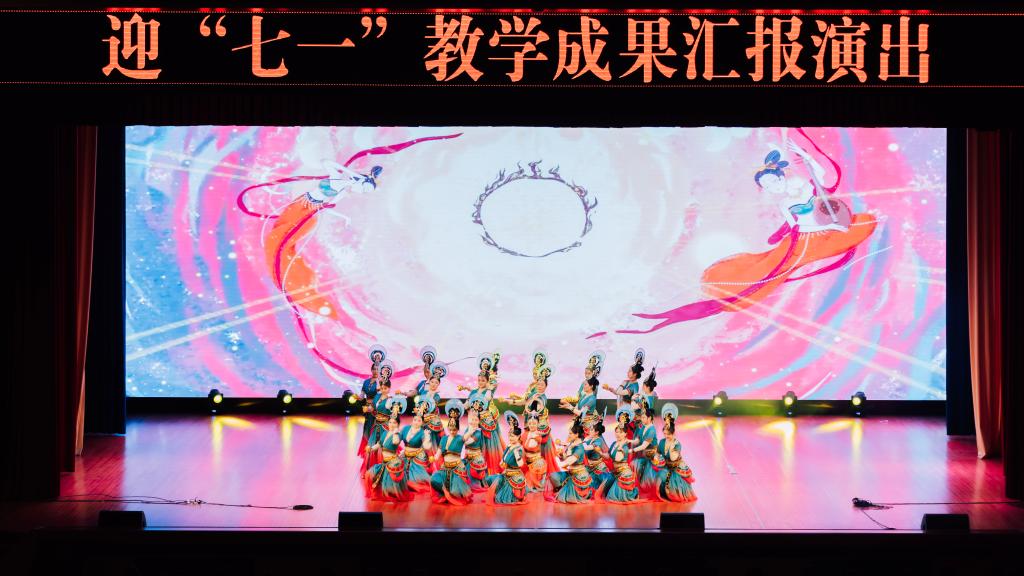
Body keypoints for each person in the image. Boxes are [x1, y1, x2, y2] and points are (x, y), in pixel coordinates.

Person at [619, 133, 878, 334]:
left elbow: (821, 179)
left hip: (826, 230)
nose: (772, 188)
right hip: (804, 239)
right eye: (766, 187)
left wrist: (805, 157)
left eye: (772, 181)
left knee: (858, 226)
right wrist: (785, 235)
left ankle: (720, 296)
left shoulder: (801, 184)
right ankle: (721, 293)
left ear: (779, 176)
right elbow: (793, 226)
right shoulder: (785, 204)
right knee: (768, 269)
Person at [430, 400, 473, 505]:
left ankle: (452, 493)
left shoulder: (460, 438)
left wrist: (471, 426)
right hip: (445, 468)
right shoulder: (444, 438)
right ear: (448, 427)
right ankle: (445, 493)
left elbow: (468, 434)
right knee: (434, 479)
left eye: (454, 429)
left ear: (458, 429)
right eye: (451, 428)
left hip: (457, 468)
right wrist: (434, 458)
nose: (452, 431)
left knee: (455, 491)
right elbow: (438, 453)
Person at [364, 415, 413, 502]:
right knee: (369, 474)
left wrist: (395, 432)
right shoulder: (385, 433)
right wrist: (370, 449)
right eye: (390, 422)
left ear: (398, 424)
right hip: (384, 462)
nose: (391, 424)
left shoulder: (398, 434)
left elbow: (395, 442)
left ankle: (391, 495)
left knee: (390, 486)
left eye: (394, 423)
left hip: (393, 462)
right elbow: (379, 444)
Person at [655, 403, 697, 502]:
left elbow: (673, 458)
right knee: (658, 477)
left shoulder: (677, 444)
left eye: (668, 434)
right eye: (664, 434)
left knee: (672, 489)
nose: (666, 436)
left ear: (673, 433)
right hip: (665, 466)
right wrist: (656, 458)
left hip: (675, 468)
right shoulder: (662, 442)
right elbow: (658, 453)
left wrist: (671, 446)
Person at [547, 417, 595, 503]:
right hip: (571, 472)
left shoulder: (579, 448)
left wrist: (554, 462)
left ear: (577, 435)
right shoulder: (572, 444)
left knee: (566, 497)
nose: (569, 435)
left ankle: (566, 491)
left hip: (579, 475)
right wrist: (561, 455)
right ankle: (560, 489)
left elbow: (568, 462)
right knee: (553, 476)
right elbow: (566, 458)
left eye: (571, 433)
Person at [485, 412, 528, 505]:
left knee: (500, 499)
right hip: (506, 473)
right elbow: (503, 459)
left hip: (514, 475)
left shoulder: (518, 449)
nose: (510, 438)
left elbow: (521, 464)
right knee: (489, 479)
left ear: (518, 436)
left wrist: (517, 455)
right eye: (509, 436)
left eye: (513, 436)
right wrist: (502, 462)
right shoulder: (509, 446)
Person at [601, 419, 642, 504]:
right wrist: (599, 453)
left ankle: (632, 493)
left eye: (621, 432)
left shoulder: (624, 447)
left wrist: (621, 447)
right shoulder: (613, 444)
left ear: (625, 434)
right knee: (604, 487)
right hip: (615, 473)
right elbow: (608, 456)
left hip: (624, 473)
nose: (618, 434)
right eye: (616, 432)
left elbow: (618, 459)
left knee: (612, 497)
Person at [402, 401, 435, 492]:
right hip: (405, 456)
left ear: (422, 423)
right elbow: (397, 439)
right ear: (412, 420)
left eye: (419, 420)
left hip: (417, 458)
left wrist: (427, 440)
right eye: (415, 420)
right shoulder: (405, 429)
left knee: (415, 481)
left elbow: (426, 446)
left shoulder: (423, 433)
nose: (416, 422)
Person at [629, 404, 661, 496]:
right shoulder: (643, 426)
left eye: (643, 417)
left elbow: (643, 446)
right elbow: (638, 440)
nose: (641, 419)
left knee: (647, 478)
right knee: (633, 465)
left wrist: (632, 450)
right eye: (641, 417)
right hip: (645, 454)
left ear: (649, 418)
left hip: (651, 456)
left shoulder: (651, 430)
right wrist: (628, 440)